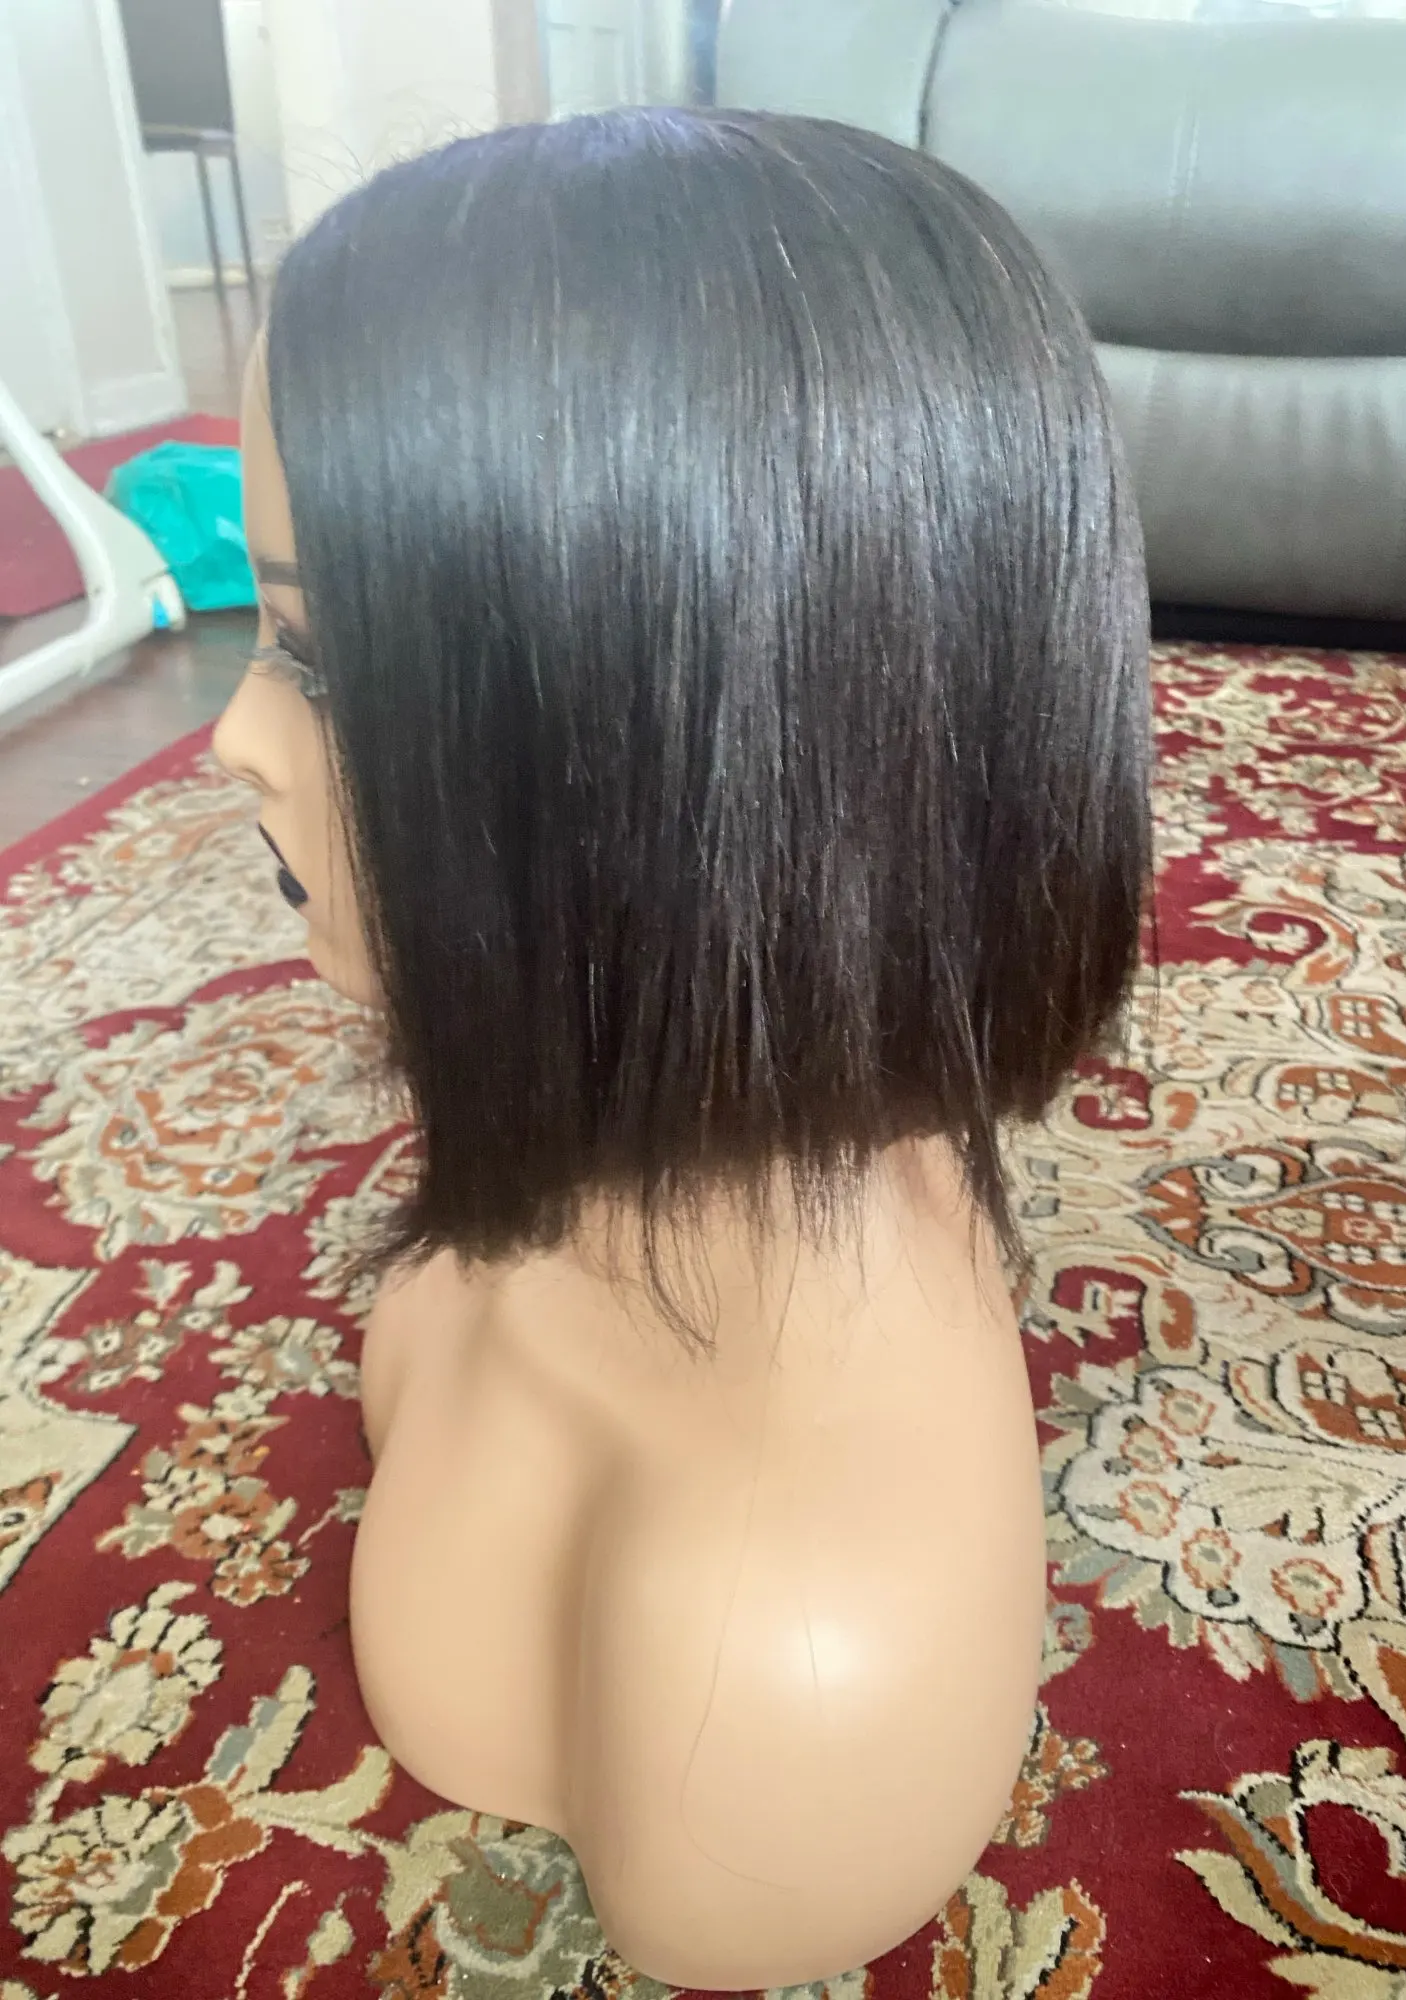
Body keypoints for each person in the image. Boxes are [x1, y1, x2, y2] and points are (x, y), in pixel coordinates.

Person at [212, 107, 1151, 1988]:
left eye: (320, 661)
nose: (234, 739)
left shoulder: (769, 1665)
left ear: (676, 764)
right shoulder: (508, 1250)